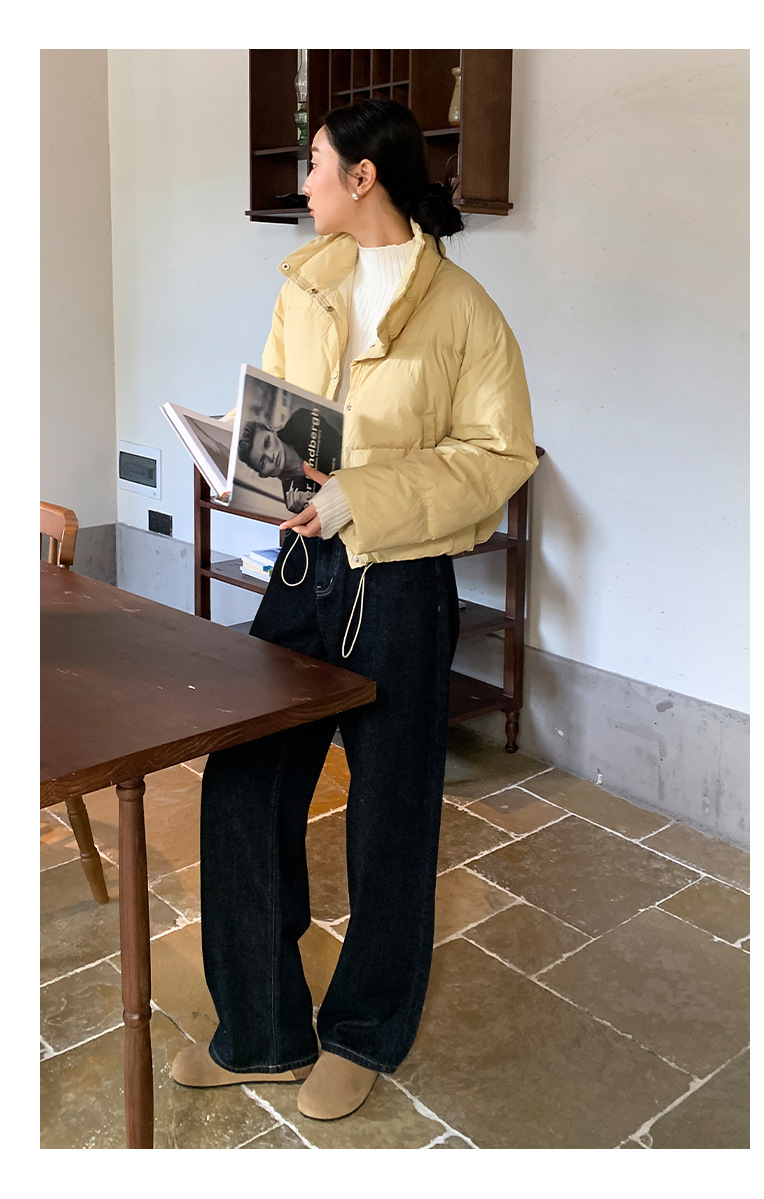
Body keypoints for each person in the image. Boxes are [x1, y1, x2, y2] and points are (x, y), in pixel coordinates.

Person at [171, 99, 539, 1120]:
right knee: (244, 785)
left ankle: (365, 1031)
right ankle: (262, 1029)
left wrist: (357, 498)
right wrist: (236, 450)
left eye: (316, 164)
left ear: (363, 176)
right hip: (302, 573)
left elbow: (496, 455)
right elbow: (284, 412)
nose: (304, 184)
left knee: (390, 817)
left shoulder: (464, 310)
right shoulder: (306, 285)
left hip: (400, 582)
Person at [237, 405, 342, 513]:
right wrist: (309, 506)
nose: (271, 456)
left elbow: (339, 445)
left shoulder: (300, 421)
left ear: (272, 429)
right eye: (263, 462)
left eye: (267, 442)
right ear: (263, 475)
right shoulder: (293, 500)